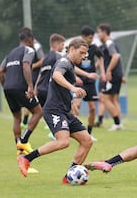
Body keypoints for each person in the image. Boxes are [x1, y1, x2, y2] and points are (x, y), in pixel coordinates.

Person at [17, 38, 96, 182]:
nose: (84, 56)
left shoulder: (70, 65)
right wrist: (73, 88)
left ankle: (68, 176)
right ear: (71, 49)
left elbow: (60, 88)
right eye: (81, 52)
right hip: (54, 109)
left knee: (87, 141)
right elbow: (56, 75)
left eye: (86, 53)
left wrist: (71, 104)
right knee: (63, 141)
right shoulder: (64, 62)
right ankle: (26, 159)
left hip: (64, 111)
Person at [0, 28, 43, 155]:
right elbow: (25, 65)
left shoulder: (10, 53)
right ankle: (24, 140)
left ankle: (19, 147)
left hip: (8, 88)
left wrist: (5, 86)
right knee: (38, 111)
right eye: (33, 41)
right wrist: (30, 85)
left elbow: (0, 72)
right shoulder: (28, 50)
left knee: (17, 117)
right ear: (30, 40)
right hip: (21, 87)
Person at [72, 26, 105, 141]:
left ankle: (89, 133)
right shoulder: (76, 48)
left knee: (92, 108)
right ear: (83, 37)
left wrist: (102, 72)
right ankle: (73, 130)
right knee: (76, 105)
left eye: (92, 38)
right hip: (79, 81)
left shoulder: (94, 48)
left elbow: (100, 58)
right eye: (89, 38)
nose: (91, 40)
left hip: (90, 82)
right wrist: (75, 77)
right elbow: (71, 64)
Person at [34, 33, 66, 140]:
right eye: (62, 45)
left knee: (49, 112)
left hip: (40, 89)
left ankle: (55, 131)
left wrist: (35, 88)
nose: (63, 47)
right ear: (56, 45)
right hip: (50, 89)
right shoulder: (58, 56)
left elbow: (40, 74)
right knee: (64, 109)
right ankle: (56, 133)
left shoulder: (46, 58)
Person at [96, 23, 124, 131]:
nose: (98, 35)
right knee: (114, 99)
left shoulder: (109, 42)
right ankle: (119, 123)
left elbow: (115, 56)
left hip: (112, 76)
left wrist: (108, 71)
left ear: (104, 32)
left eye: (99, 32)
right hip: (116, 74)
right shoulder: (107, 44)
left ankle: (117, 123)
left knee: (104, 98)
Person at [20, 27, 45, 129]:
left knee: (37, 97)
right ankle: (25, 121)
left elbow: (42, 59)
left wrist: (32, 66)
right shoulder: (23, 45)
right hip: (29, 75)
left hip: (37, 75)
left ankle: (48, 121)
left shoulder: (36, 45)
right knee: (30, 97)